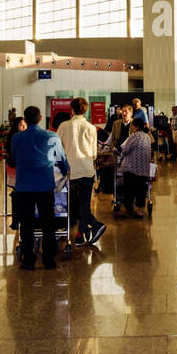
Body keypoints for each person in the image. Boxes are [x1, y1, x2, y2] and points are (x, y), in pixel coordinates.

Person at [8, 106, 69, 270]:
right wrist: (64, 171)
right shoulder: (51, 136)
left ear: (25, 120)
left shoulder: (16, 138)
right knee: (48, 223)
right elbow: (61, 159)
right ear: (40, 118)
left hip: (24, 186)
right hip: (44, 185)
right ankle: (49, 260)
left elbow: (13, 159)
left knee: (26, 224)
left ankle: (28, 260)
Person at [57, 97, 105, 246]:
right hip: (87, 169)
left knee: (75, 206)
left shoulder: (64, 126)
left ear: (71, 110)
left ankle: (92, 226)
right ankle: (80, 235)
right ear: (86, 110)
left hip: (71, 171)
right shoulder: (91, 127)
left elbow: (58, 149)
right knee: (84, 204)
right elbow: (94, 153)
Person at [116, 116, 154, 218]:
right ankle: (140, 210)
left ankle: (128, 209)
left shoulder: (134, 136)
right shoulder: (147, 136)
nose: (131, 128)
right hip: (144, 169)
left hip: (132, 168)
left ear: (136, 127)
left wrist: (120, 151)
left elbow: (125, 150)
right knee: (141, 189)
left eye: (132, 126)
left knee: (129, 189)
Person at [4, 116, 28, 231]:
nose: (23, 127)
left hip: (22, 169)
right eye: (20, 125)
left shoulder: (26, 137)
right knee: (17, 194)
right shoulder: (13, 138)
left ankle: (19, 219)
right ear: (16, 126)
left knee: (19, 195)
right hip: (15, 169)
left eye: (24, 125)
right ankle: (15, 220)